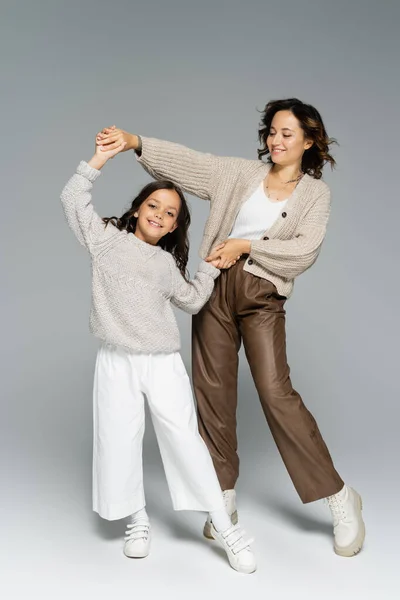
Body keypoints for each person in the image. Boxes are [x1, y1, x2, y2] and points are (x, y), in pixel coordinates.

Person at [96, 98, 365, 558]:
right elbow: (191, 162)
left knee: (276, 393)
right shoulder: (239, 174)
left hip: (261, 295)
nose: (276, 141)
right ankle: (222, 494)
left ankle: (339, 496)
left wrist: (246, 244)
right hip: (213, 287)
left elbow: (304, 250)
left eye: (287, 133)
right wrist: (135, 143)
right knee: (212, 391)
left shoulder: (315, 194)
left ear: (309, 140)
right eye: (272, 132)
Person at [59, 134, 256, 574]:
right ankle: (137, 518)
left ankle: (224, 525)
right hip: (116, 359)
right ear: (136, 209)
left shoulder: (167, 264)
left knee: (185, 440)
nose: (160, 215)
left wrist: (209, 266)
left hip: (162, 361)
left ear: (173, 228)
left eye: (170, 214)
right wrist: (101, 158)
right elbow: (72, 196)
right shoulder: (105, 239)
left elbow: (190, 300)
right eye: (154, 206)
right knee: (118, 437)